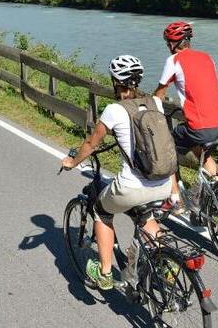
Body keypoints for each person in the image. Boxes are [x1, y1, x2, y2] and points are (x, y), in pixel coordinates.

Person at [61, 55, 172, 290]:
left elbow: (91, 143)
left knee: (101, 211)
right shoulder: (156, 103)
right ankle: (166, 265)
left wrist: (72, 162)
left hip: (133, 186)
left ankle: (105, 273)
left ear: (115, 81)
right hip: (162, 182)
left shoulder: (114, 110)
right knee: (145, 216)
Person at [154, 21, 218, 212]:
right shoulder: (207, 57)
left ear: (172, 43)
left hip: (200, 126)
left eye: (167, 43)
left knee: (166, 148)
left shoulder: (173, 61)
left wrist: (148, 110)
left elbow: (159, 94)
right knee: (201, 150)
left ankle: (175, 200)